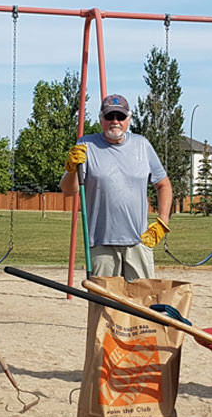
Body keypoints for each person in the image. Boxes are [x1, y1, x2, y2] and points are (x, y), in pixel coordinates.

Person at [60, 94, 173, 281]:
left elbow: (163, 184)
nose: (115, 122)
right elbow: (68, 190)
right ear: (101, 119)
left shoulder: (142, 145)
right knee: (103, 305)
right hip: (100, 243)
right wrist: (72, 169)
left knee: (141, 302)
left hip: (139, 242)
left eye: (120, 117)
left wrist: (163, 221)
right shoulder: (86, 145)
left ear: (128, 119)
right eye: (109, 116)